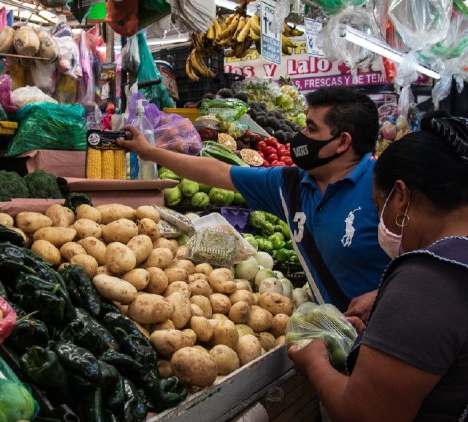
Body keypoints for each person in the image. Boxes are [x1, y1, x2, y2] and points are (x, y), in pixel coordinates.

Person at [289, 112, 468, 421]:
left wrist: (314, 363)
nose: (382, 221)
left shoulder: (427, 280)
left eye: (381, 207)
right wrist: (383, 333)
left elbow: (364, 415)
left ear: (402, 196)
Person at [118, 87, 390, 318]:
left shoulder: (386, 187)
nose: (301, 136)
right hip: (343, 333)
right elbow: (218, 172)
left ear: (342, 142)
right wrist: (150, 152)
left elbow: (431, 260)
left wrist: (381, 296)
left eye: (311, 128)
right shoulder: (291, 184)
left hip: (394, 335)